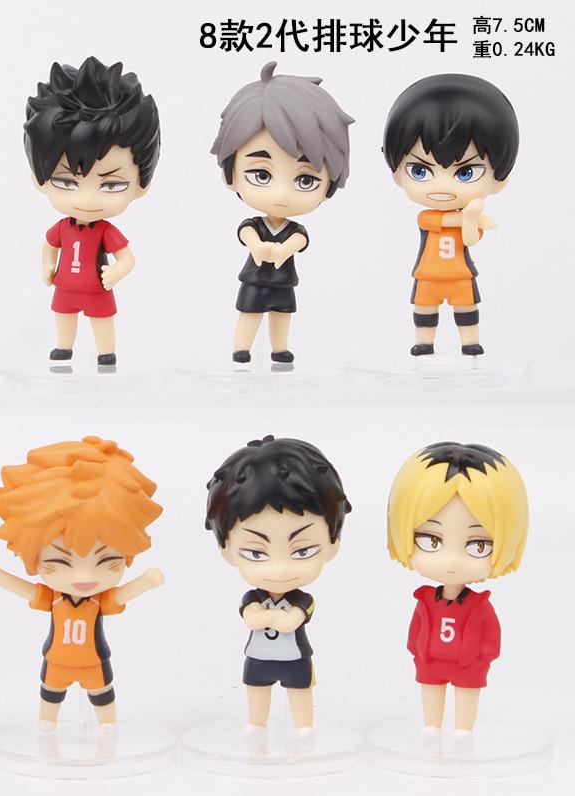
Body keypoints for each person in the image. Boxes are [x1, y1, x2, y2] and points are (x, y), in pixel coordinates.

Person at [0, 436, 164, 727]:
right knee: (50, 697)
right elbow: (28, 591)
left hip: (95, 662)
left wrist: (146, 582)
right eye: (60, 562)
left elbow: (120, 596)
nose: (84, 576)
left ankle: (108, 731)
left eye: (106, 561)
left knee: (102, 699)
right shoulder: (54, 598)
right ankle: (46, 729)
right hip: (56, 661)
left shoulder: (97, 600)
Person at [205, 435, 351, 730]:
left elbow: (289, 622)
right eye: (256, 553)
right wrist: (273, 618)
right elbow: (254, 619)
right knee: (256, 693)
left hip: (295, 659)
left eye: (302, 551)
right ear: (226, 549)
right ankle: (256, 727)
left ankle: (304, 730)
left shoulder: (301, 600)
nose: (280, 568)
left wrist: (267, 617)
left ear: (332, 543)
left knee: (300, 694)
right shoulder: (253, 597)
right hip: (258, 658)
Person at [211, 62, 353, 364]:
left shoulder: (294, 231)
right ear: (230, 174)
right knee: (249, 313)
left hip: (283, 281)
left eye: (305, 180)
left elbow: (297, 243)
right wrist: (259, 247)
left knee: (281, 315)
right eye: (261, 175)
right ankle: (241, 349)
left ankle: (280, 349)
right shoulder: (254, 225)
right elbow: (248, 236)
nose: (282, 194)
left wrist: (281, 250)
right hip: (255, 280)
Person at [24, 57, 161, 366]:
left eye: (111, 185)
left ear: (141, 185)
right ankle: (63, 347)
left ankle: (105, 352)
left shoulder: (105, 231)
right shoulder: (62, 228)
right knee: (63, 315)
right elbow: (49, 245)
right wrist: (47, 266)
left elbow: (127, 258)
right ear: (39, 179)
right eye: (66, 182)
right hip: (65, 286)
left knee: (101, 319)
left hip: (97, 288)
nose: (87, 199)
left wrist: (115, 272)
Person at [387, 441, 529, 731]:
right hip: (430, 661)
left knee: (465, 699)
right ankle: (432, 728)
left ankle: (464, 732)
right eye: (431, 540)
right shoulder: (425, 599)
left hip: (468, 666)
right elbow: (416, 630)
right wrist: (417, 650)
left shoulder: (479, 605)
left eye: (479, 545)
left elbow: (491, 639)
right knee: (431, 696)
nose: (451, 561)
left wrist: (480, 658)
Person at [383, 74, 520, 356]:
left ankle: (470, 343)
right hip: (428, 274)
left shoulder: (471, 216)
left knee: (466, 308)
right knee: (425, 309)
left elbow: (469, 240)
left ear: (500, 178)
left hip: (460, 274)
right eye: (420, 170)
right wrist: (471, 215)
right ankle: (424, 343)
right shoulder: (427, 217)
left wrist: (472, 218)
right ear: (397, 173)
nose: (442, 186)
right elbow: (444, 222)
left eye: (465, 172)